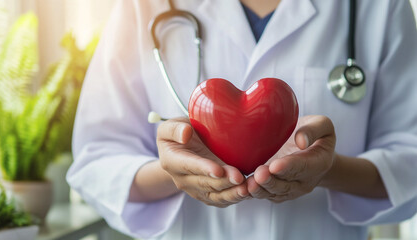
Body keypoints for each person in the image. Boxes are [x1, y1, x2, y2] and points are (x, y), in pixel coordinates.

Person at [66, 0, 417, 239]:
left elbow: (411, 158)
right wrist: (175, 173)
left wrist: (329, 170)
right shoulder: (146, 6)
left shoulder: (377, 7)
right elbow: (97, 160)